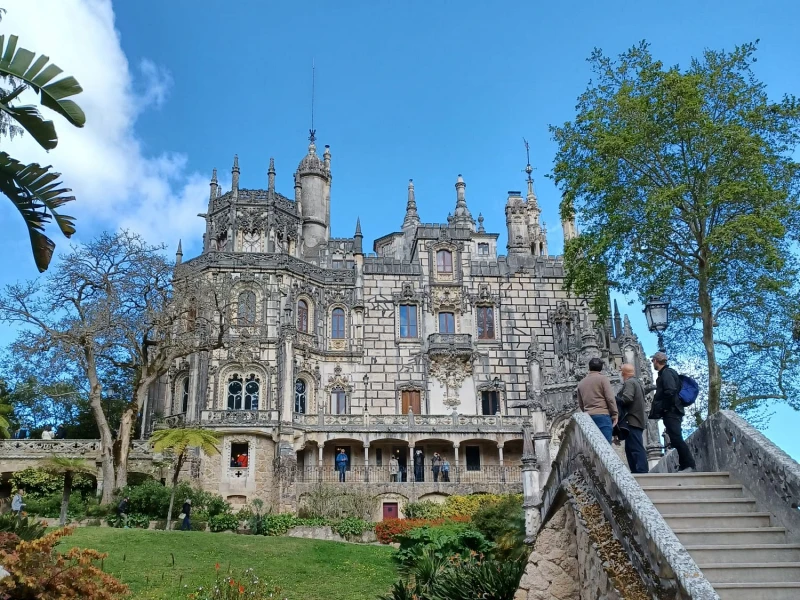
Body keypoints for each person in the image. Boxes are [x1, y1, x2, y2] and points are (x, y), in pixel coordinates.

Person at [649, 352, 696, 472]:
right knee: (675, 439)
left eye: (652, 361)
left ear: (655, 361)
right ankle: (684, 465)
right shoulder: (666, 373)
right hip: (672, 410)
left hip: (672, 411)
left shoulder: (667, 373)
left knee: (676, 438)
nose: (652, 363)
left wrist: (665, 407)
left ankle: (689, 465)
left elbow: (670, 391)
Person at [576, 357, 618, 442]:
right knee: (605, 447)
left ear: (589, 367)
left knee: (593, 447)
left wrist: (588, 411)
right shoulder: (603, 379)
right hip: (602, 416)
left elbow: (580, 403)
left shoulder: (581, 383)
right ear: (601, 368)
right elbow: (610, 398)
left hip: (588, 417)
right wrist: (615, 414)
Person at [617, 364, 648, 473]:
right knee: (630, 449)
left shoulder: (629, 382)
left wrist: (615, 399)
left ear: (624, 373)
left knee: (636, 448)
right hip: (636, 420)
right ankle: (636, 472)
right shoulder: (637, 383)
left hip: (632, 420)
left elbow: (627, 398)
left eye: (620, 371)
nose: (619, 373)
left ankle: (642, 472)